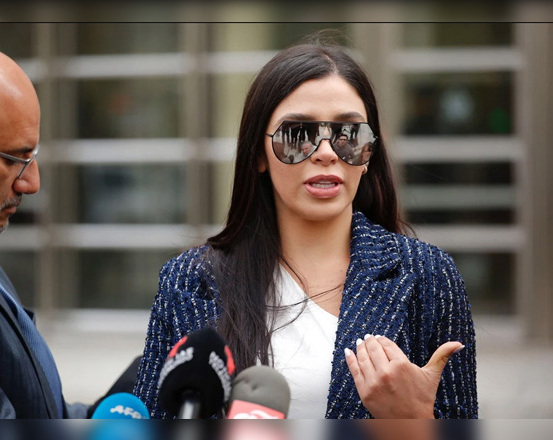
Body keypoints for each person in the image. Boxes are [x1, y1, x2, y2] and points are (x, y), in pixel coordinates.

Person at [134, 35, 477, 419]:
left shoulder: (428, 277)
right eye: (298, 134)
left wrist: (413, 420)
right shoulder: (189, 281)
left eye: (349, 135)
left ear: (369, 154)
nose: (327, 152)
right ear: (258, 154)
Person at [0, 39, 139, 418]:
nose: (32, 183)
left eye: (33, 156)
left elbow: (42, 413)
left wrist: (146, 383)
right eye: (14, 159)